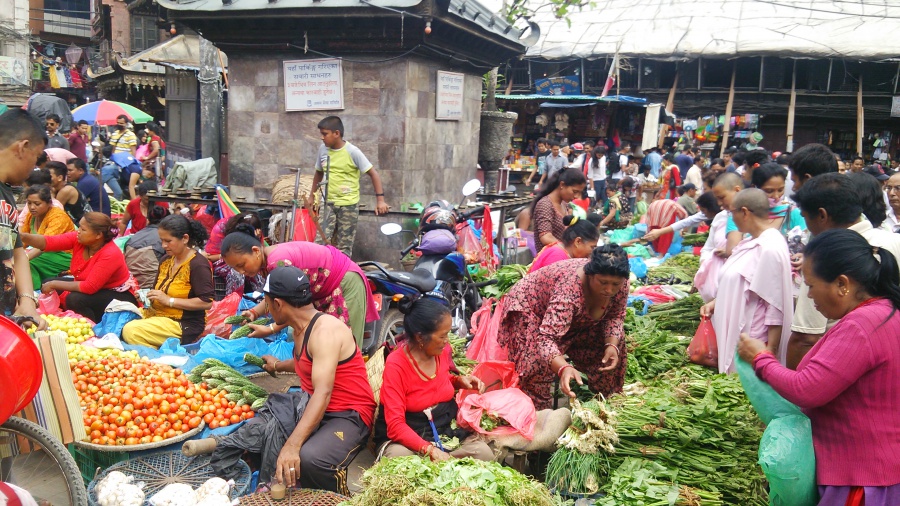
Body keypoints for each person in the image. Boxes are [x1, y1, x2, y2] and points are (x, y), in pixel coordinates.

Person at [737, 229, 900, 506]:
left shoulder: (861, 326)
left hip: (860, 476)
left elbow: (807, 389)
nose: (809, 295)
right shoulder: (885, 311)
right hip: (877, 465)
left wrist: (761, 359)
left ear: (842, 284)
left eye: (811, 285)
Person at [258, 266, 376, 493]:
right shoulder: (300, 328)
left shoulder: (324, 332)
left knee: (311, 458)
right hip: (320, 407)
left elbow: (323, 392)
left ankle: (341, 497)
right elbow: (309, 362)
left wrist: (293, 446)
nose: (267, 310)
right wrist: (278, 365)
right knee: (267, 431)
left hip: (349, 414)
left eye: (266, 303)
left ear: (278, 304)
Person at [787, 173, 900, 369]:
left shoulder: (824, 256)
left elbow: (806, 337)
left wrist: (794, 390)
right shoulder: (893, 240)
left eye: (805, 217)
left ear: (822, 215)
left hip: (840, 373)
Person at [497, 245, 629, 410]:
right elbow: (546, 339)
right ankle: (539, 417)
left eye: (615, 284)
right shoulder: (569, 291)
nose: (609, 289)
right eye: (603, 282)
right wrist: (563, 368)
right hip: (531, 307)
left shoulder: (621, 284)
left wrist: (611, 345)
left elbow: (615, 316)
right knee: (536, 363)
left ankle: (605, 403)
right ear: (590, 275)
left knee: (612, 345)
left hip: (569, 315)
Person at [374, 296, 493, 462]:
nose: (446, 341)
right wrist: (429, 450)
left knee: (483, 454)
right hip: (409, 436)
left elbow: (437, 382)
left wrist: (459, 381)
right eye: (442, 336)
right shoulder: (397, 365)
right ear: (420, 337)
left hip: (443, 430)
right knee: (399, 458)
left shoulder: (442, 352)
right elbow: (395, 426)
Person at [220, 227, 379, 346]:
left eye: (242, 265)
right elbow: (275, 296)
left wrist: (270, 329)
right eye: (236, 269)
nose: (241, 271)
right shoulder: (268, 261)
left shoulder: (278, 263)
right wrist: (254, 312)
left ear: (255, 251)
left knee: (344, 348)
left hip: (344, 284)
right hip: (325, 291)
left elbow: (292, 308)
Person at [700, 189, 793, 373]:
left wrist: (769, 353)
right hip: (738, 333)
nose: (731, 218)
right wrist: (716, 303)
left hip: (752, 336)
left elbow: (775, 305)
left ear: (744, 212)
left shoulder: (769, 248)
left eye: (731, 212)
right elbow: (746, 284)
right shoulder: (752, 242)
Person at [21, 212, 138, 323]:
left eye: (83, 229)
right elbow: (49, 242)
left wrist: (54, 284)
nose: (78, 231)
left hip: (117, 294)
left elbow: (89, 287)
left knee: (74, 299)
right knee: (48, 282)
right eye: (79, 227)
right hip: (94, 287)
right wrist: (22, 237)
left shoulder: (110, 253)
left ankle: (90, 325)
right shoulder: (80, 240)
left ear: (98, 235)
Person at [121, 215, 212, 347]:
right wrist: (147, 296)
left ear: (185, 238)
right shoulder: (166, 260)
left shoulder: (198, 264)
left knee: (131, 331)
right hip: (157, 315)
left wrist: (169, 300)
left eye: (168, 241)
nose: (163, 245)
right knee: (118, 315)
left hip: (183, 324)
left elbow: (206, 302)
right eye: (162, 241)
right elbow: (158, 291)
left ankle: (156, 358)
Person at [305, 116, 388, 257]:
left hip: (348, 205)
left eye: (325, 134)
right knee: (319, 244)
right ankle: (319, 275)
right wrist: (312, 196)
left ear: (336, 133)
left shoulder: (352, 151)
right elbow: (318, 173)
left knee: (344, 247)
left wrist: (380, 200)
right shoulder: (323, 150)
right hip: (328, 204)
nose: (321, 137)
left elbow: (373, 174)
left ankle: (341, 275)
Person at [0, 110, 47, 326]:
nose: (34, 168)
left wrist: (27, 301)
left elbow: (17, 252)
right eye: (36, 158)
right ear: (22, 147)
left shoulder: (7, 193)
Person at [21, 185, 75, 290]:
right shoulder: (31, 216)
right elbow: (23, 240)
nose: (32, 207)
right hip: (43, 252)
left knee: (27, 264)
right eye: (29, 203)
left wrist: (24, 259)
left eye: (37, 204)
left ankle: (30, 292)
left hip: (64, 255)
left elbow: (46, 244)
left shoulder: (58, 217)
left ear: (49, 203)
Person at [205, 212, 267, 297]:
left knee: (258, 273)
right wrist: (226, 258)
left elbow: (259, 254)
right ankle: (234, 301)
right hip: (223, 262)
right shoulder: (222, 228)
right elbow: (208, 255)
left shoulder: (256, 232)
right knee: (237, 274)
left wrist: (256, 238)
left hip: (244, 259)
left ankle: (258, 299)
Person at [530, 168, 586, 254]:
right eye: (575, 191)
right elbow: (546, 237)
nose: (576, 196)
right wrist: (568, 250)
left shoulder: (564, 204)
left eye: (579, 192)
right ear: (562, 185)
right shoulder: (545, 204)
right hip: (550, 260)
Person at [529, 213, 601, 273]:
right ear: (578, 242)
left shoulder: (563, 251)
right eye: (592, 247)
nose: (592, 252)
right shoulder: (557, 256)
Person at [690, 192, 726, 301]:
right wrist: (703, 271)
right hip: (715, 280)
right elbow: (708, 248)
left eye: (721, 198)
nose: (719, 203)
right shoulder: (720, 217)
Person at [124, 206, 170, 289]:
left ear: (147, 220)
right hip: (155, 288)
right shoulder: (167, 239)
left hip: (131, 287)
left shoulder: (132, 238)